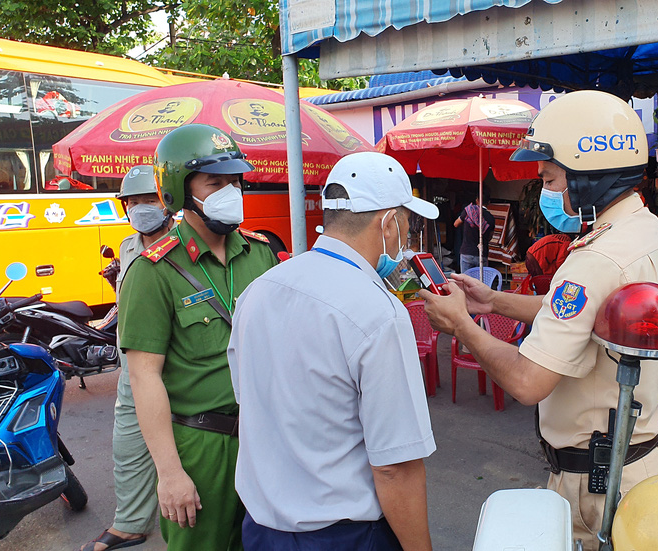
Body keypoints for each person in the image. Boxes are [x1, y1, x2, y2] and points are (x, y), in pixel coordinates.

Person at [420, 90, 658, 550]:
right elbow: (586, 315)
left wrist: (461, 325)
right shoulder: (647, 233)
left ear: (589, 174)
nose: (546, 191)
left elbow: (526, 381)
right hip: (645, 460)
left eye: (551, 177)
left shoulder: (596, 259)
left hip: (601, 485)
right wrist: (493, 302)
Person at [228, 151, 437, 551]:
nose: (407, 237)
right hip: (345, 536)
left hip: (261, 530)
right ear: (389, 222)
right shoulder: (379, 312)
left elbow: (249, 399)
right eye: (408, 223)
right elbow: (395, 466)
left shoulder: (259, 290)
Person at [118, 124, 277, 551]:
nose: (231, 191)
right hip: (201, 446)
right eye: (216, 182)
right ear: (179, 190)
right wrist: (170, 473)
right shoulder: (153, 272)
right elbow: (144, 377)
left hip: (265, 438)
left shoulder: (260, 253)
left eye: (235, 181)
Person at [79, 166, 174, 551]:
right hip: (132, 367)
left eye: (148, 200)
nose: (140, 209)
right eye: (132, 203)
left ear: (167, 202)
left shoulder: (187, 245)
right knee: (128, 447)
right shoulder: (128, 246)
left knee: (184, 451)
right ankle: (131, 524)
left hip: (174, 367)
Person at [454, 196, 495, 273]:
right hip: (482, 254)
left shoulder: (468, 211)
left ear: (477, 200)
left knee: (466, 281)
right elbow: (490, 237)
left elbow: (456, 224)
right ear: (489, 203)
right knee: (479, 283)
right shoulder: (491, 218)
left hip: (467, 253)